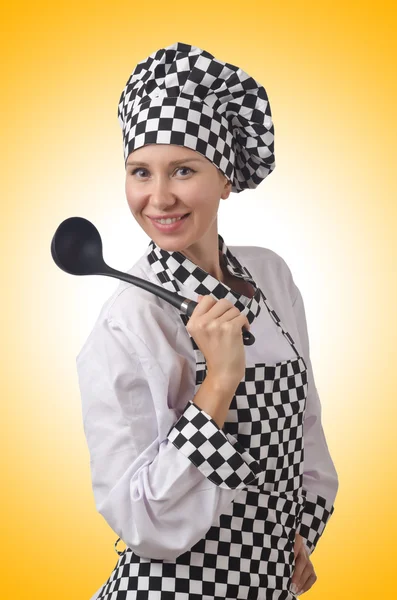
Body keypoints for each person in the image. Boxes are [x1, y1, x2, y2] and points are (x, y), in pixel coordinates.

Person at [76, 41, 339, 600]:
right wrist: (217, 384)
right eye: (140, 172)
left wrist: (293, 533)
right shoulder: (129, 321)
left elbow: (305, 430)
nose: (159, 197)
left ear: (225, 179)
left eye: (183, 170)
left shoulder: (271, 278)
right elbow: (139, 519)